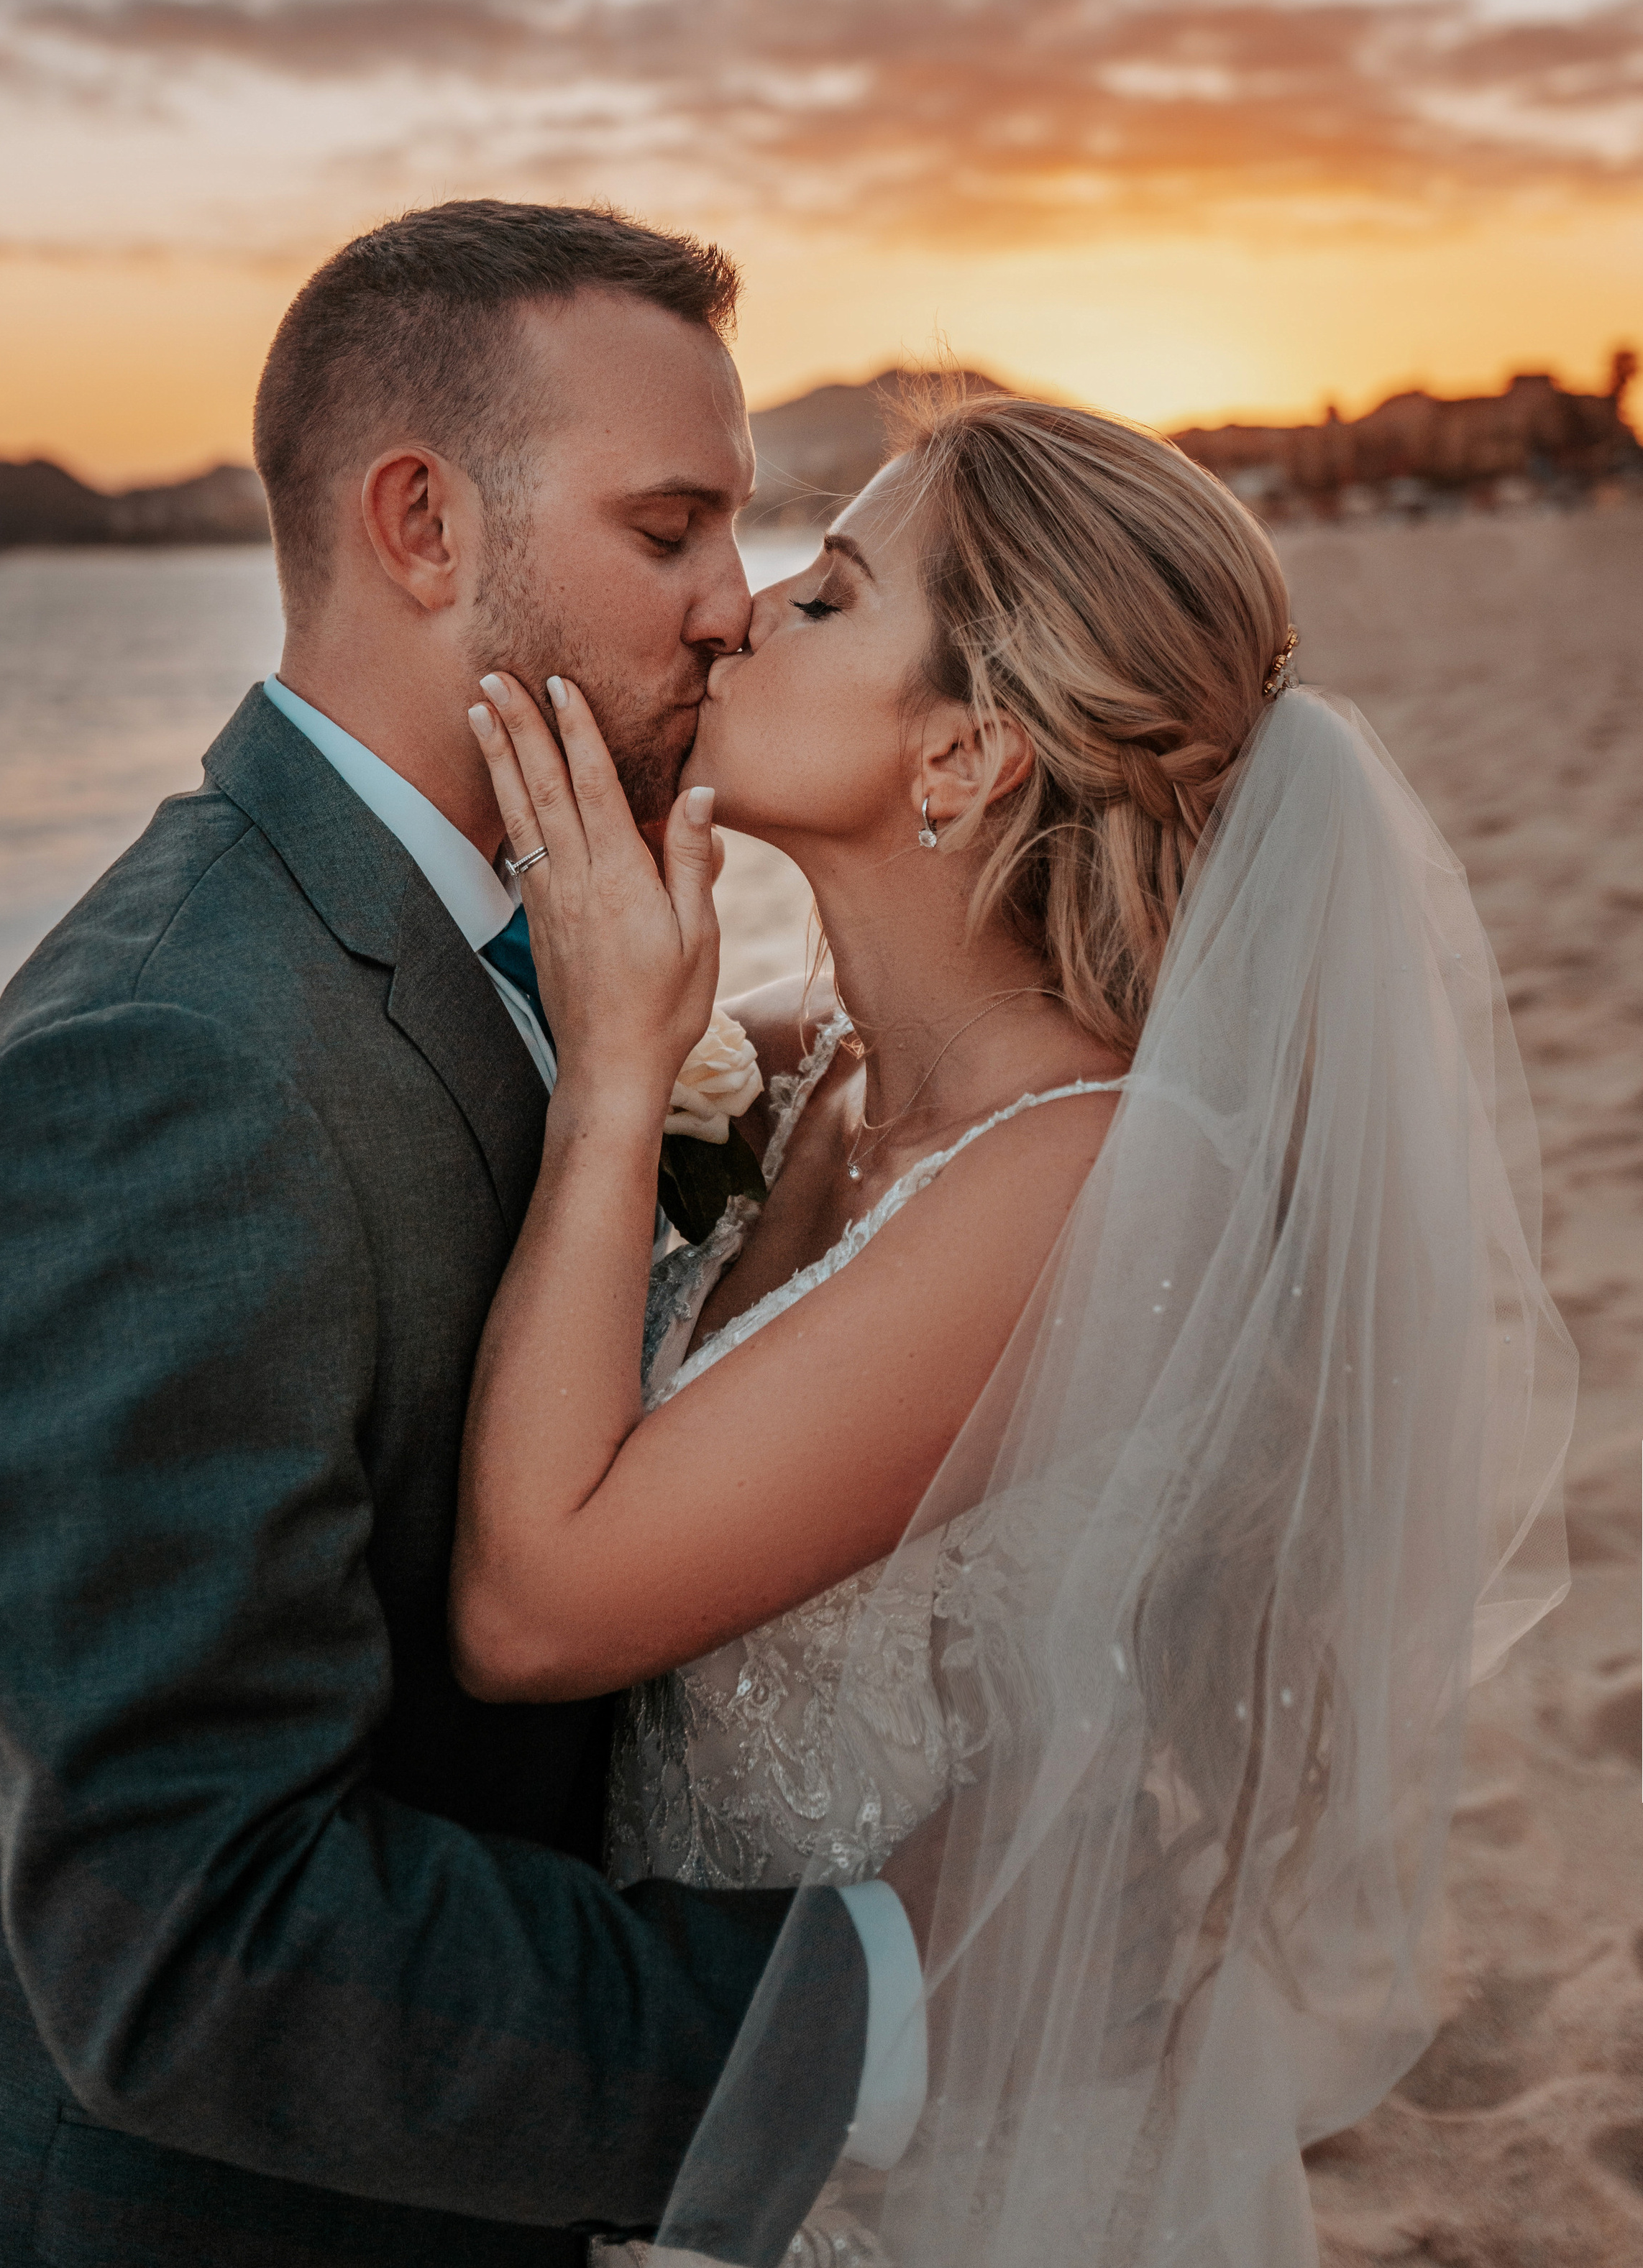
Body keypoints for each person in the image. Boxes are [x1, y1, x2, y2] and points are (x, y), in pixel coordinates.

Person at [0, 202, 913, 2268]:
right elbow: (185, 1935)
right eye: (671, 527)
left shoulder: (527, 949)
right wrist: (878, 2014)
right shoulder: (171, 1061)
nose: (731, 606)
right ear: (422, 525)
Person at [449, 390, 1575, 2264]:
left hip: (910, 2179)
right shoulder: (819, 1073)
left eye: (829, 598)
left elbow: (534, 1606)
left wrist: (612, 1082)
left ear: (962, 752)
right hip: (719, 2109)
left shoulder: (1095, 1185)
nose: (741, 609)